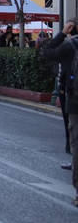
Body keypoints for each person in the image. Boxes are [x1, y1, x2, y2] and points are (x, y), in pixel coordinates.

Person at [41, 18, 78, 207]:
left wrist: (62, 33)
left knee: (75, 139)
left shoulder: (70, 46)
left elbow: (46, 52)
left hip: (74, 100)